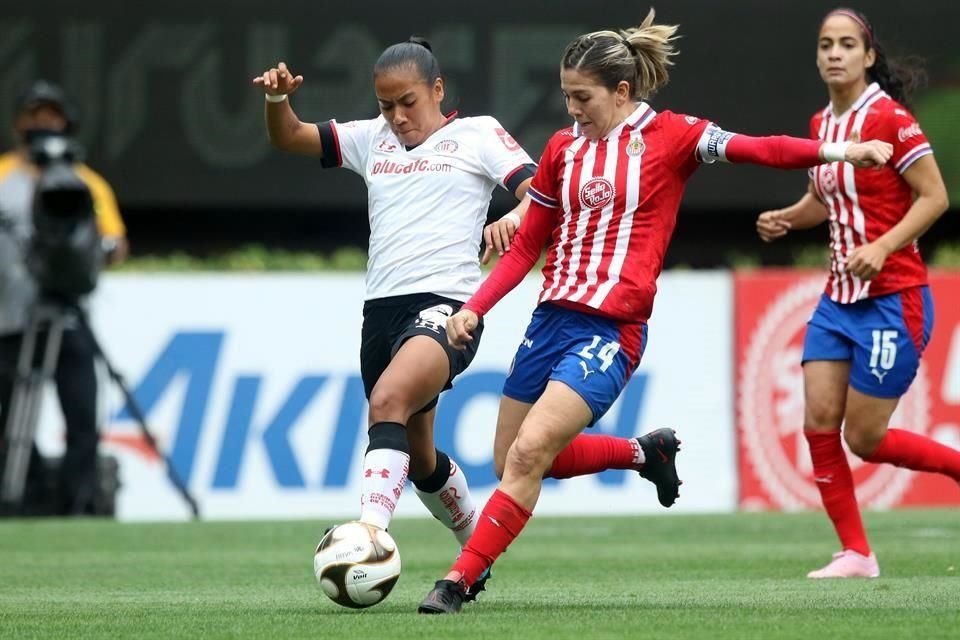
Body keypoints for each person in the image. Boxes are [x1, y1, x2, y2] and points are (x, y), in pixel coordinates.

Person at [417, 8, 894, 613]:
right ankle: (646, 453)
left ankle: (459, 581)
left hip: (611, 329)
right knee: (513, 456)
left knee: (529, 454)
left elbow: (762, 149)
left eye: (581, 96)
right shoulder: (564, 148)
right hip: (550, 322)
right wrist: (476, 307)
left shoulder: (676, 136)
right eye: (565, 96)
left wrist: (843, 150)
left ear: (620, 91)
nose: (571, 110)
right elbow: (528, 247)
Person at [253, 38, 546, 601]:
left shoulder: (477, 133)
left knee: (385, 401)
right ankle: (475, 551)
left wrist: (518, 213)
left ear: (437, 89)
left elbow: (540, 190)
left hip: (449, 307)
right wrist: (276, 101)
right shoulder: (372, 139)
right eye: (386, 105)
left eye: (407, 102)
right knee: (420, 458)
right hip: (381, 315)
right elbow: (289, 135)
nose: (397, 117)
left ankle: (368, 537)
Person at [755, 8, 954, 579]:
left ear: (868, 57)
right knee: (819, 421)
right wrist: (791, 218)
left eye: (846, 45)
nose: (834, 54)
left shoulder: (890, 119)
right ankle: (856, 554)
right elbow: (828, 197)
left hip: (894, 298)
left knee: (864, 438)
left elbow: (934, 197)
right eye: (825, 45)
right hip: (838, 299)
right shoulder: (822, 124)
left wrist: (883, 247)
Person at [0, 79, 128, 515]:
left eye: (51, 115)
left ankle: (79, 501)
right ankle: (27, 497)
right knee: (10, 417)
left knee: (81, 412)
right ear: (18, 123)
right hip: (11, 314)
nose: (42, 123)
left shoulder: (86, 182)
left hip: (69, 313)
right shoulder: (1, 175)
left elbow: (115, 243)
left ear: (66, 121)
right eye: (34, 114)